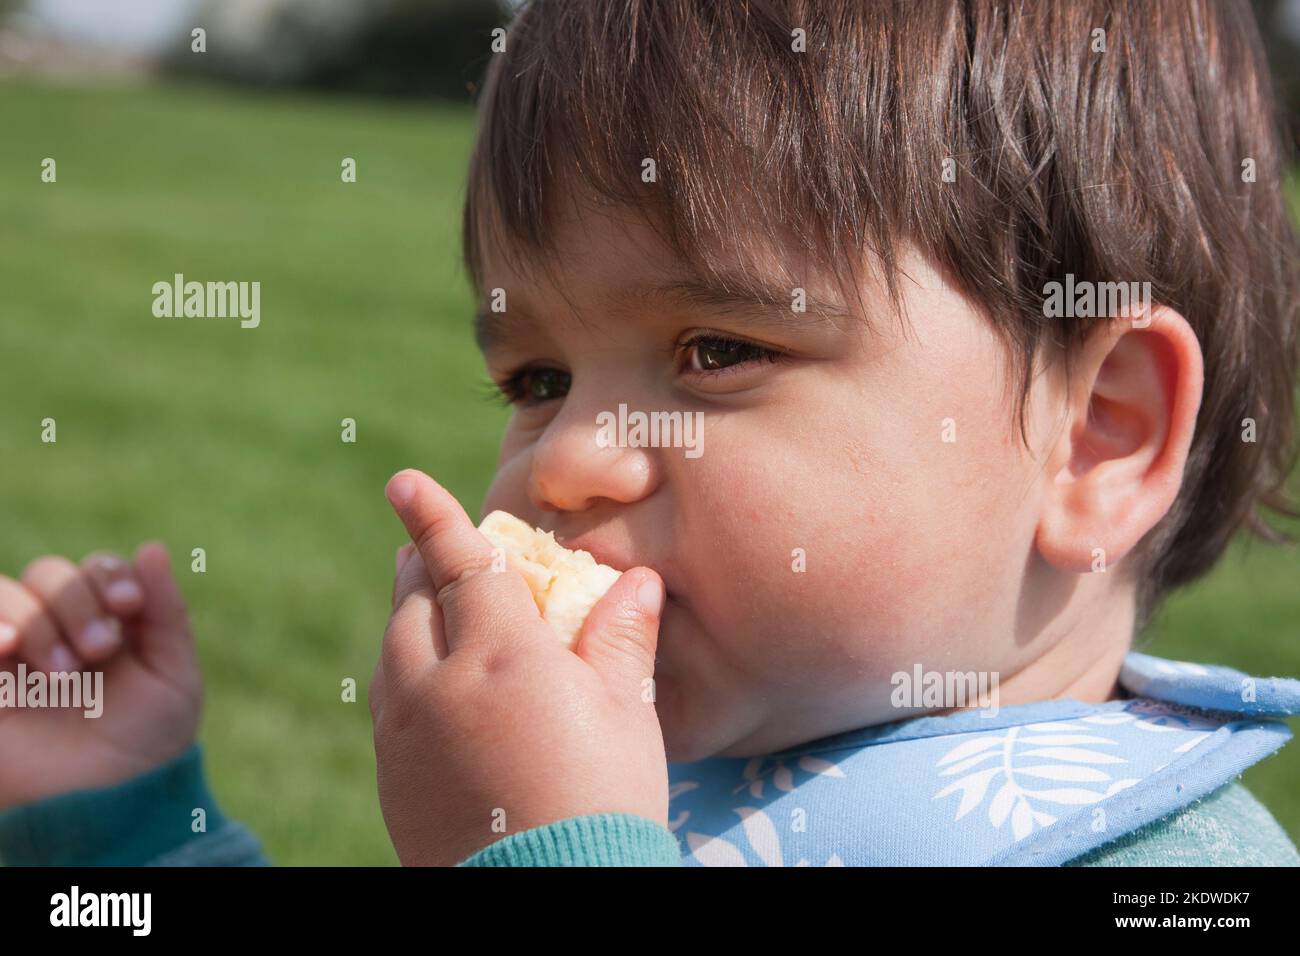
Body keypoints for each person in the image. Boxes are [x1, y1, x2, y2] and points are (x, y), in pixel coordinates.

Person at [2, 0, 1299, 866]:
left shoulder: (1168, 870)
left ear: (1097, 438)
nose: (562, 463)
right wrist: (116, 825)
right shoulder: (650, 780)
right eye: (536, 378)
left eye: (718, 351)